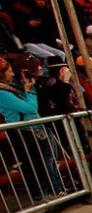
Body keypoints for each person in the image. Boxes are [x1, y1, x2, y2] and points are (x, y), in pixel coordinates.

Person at [0, 55, 64, 201]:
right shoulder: (2, 93)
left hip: (30, 129)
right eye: (9, 71)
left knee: (41, 162)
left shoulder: (11, 89)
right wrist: (29, 91)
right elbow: (30, 107)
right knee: (33, 165)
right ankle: (40, 196)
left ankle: (51, 191)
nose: (12, 73)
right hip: (21, 132)